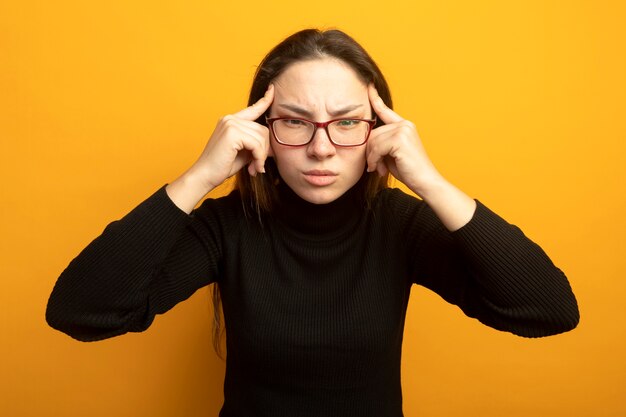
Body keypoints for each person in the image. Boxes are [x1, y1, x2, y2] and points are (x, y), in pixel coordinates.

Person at [46, 28, 579, 416]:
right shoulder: (229, 226)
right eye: (295, 123)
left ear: (379, 130)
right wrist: (199, 176)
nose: (321, 149)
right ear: (259, 129)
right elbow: (80, 311)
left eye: (346, 122)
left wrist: (432, 183)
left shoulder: (402, 225)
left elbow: (549, 310)